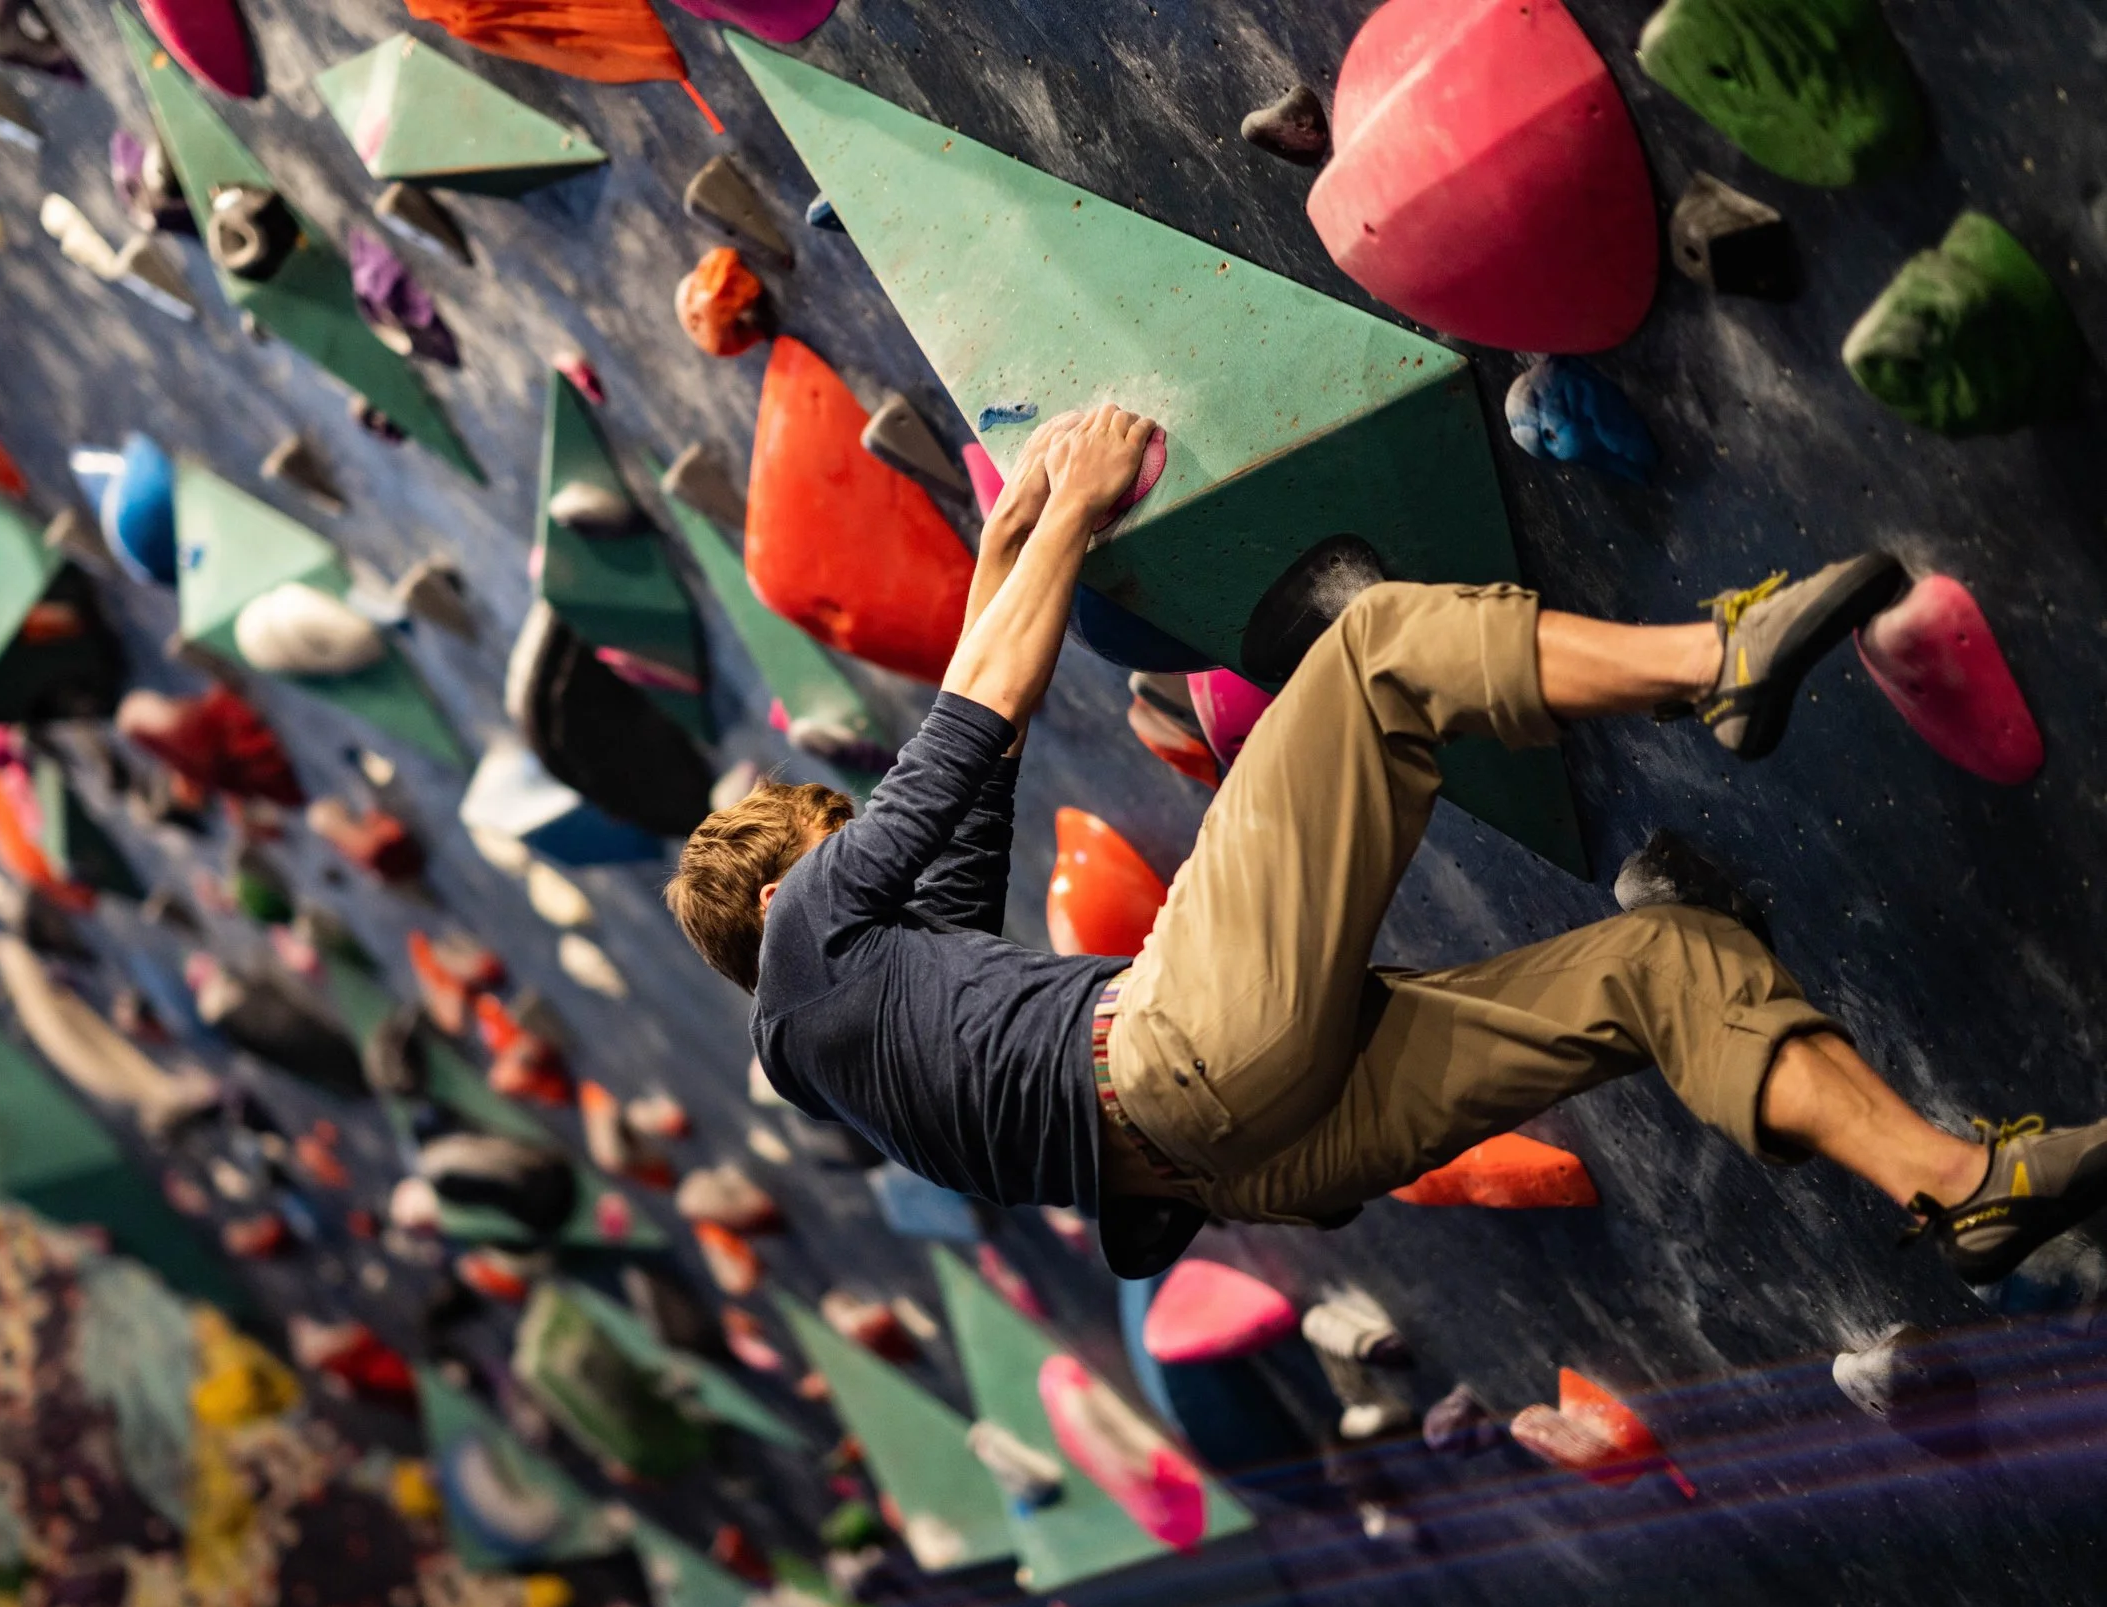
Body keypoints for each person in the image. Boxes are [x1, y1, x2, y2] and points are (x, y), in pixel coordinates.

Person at [666, 404, 2107, 1285]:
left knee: (1661, 966)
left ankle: (1959, 1187)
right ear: (787, 881)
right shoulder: (815, 926)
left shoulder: (851, 1044)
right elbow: (976, 725)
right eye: (835, 833)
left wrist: (1006, 545)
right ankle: (1712, 662)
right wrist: (1087, 503)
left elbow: (975, 792)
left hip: (1247, 1163)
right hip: (1187, 1051)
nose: (861, 842)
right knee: (1372, 655)